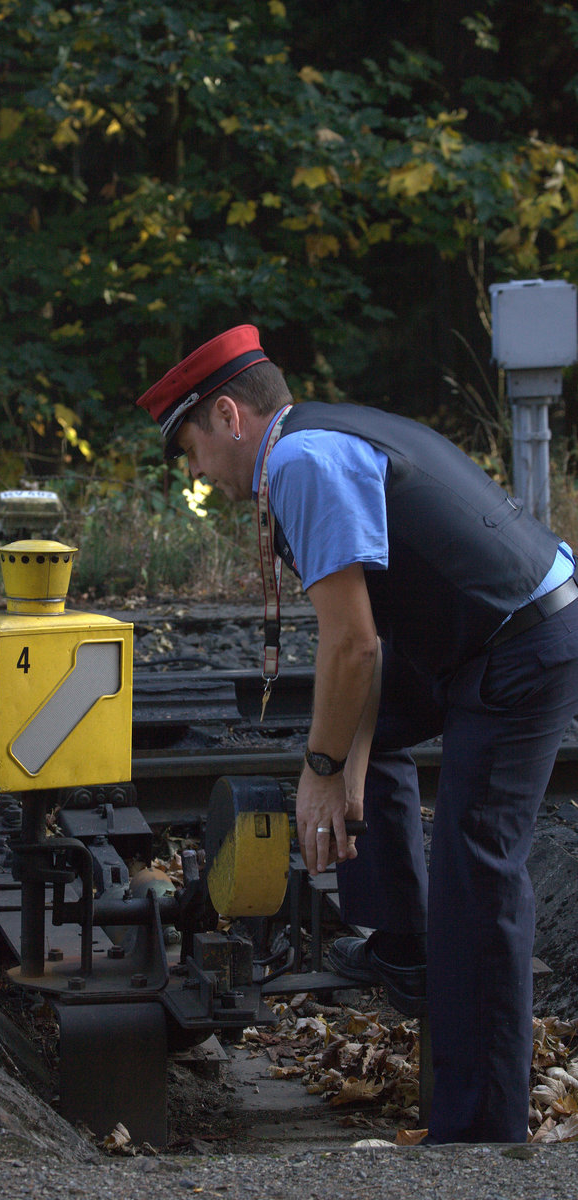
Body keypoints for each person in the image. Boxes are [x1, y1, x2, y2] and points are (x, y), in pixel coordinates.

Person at [136, 323, 578, 1144]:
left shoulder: (301, 464)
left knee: (476, 876)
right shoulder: (323, 436)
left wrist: (321, 768)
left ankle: (481, 1138)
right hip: (470, 638)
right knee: (347, 741)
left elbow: (353, 647)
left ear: (228, 416)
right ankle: (402, 940)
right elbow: (366, 651)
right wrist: (341, 762)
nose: (195, 473)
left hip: (516, 650)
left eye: (190, 450)